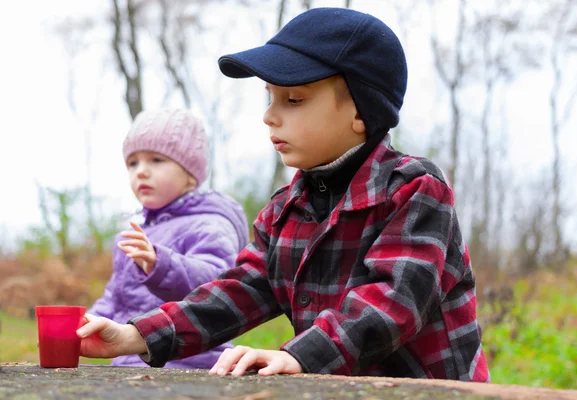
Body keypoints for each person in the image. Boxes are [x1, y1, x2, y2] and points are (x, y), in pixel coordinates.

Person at [78, 8, 489, 381]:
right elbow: (238, 292)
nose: (269, 115)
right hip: (334, 389)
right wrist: (135, 336)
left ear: (361, 113)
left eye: (293, 99)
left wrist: (302, 356)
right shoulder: (284, 209)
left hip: (430, 390)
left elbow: (394, 301)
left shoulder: (414, 189)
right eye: (270, 97)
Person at [88, 108, 249, 368]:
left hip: (189, 363)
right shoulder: (137, 234)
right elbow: (115, 297)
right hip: (130, 362)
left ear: (190, 174)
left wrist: (161, 265)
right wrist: (87, 322)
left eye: (156, 160)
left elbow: (218, 286)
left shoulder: (210, 224)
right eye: (133, 163)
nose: (141, 171)